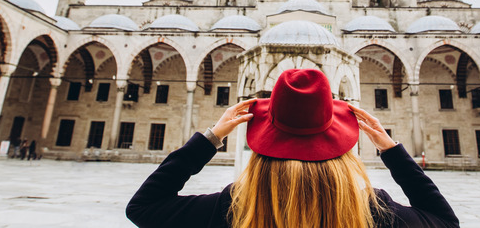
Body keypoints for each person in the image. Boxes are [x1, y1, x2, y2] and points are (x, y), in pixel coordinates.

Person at [127, 68, 459, 228]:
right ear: (342, 149)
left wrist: (210, 138)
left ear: (262, 148)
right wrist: (392, 151)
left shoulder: (234, 209)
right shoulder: (373, 212)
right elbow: (445, 223)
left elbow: (142, 207)